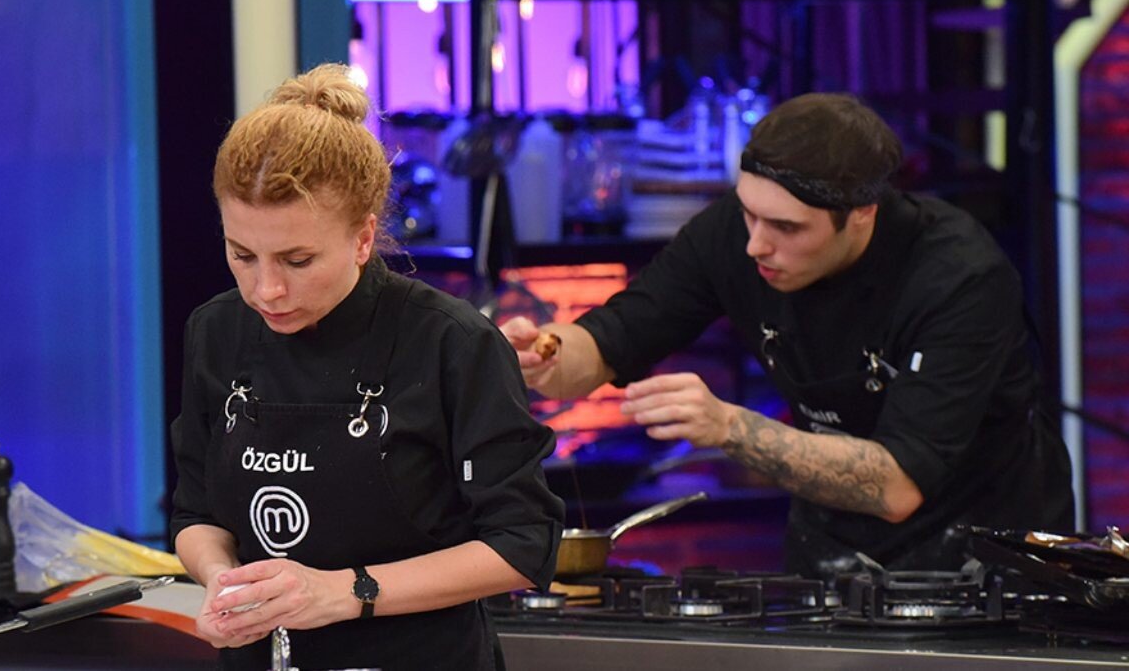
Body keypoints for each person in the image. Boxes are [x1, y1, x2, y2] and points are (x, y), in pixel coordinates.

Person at [502, 93, 1074, 581]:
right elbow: (613, 337)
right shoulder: (736, 235)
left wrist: (729, 427)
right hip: (833, 553)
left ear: (862, 213)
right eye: (748, 213)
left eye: (786, 227)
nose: (756, 244)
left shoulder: (959, 277)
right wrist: (546, 355)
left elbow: (899, 485)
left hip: (984, 554)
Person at [169, 63, 563, 670]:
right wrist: (223, 579)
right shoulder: (215, 332)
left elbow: (522, 543)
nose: (266, 289)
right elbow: (195, 513)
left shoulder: (451, 342)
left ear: (361, 238)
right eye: (242, 254)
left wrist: (343, 592)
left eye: (298, 260)